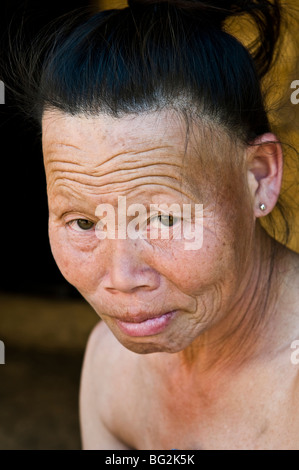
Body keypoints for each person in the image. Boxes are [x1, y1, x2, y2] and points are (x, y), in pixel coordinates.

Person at [14, 0, 299, 449]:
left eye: (166, 219)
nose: (122, 279)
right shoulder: (111, 367)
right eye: (84, 222)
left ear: (259, 178)